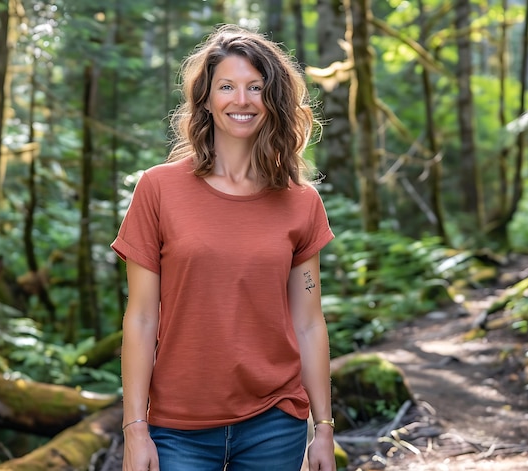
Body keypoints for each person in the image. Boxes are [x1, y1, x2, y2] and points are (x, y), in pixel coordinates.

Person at [111, 24, 336, 471]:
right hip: (177, 430)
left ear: (272, 101)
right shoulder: (158, 189)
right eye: (227, 86)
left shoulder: (300, 201)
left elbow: (309, 323)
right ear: (206, 99)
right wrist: (135, 428)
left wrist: (324, 428)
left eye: (256, 87)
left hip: (275, 423)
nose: (242, 100)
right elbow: (140, 317)